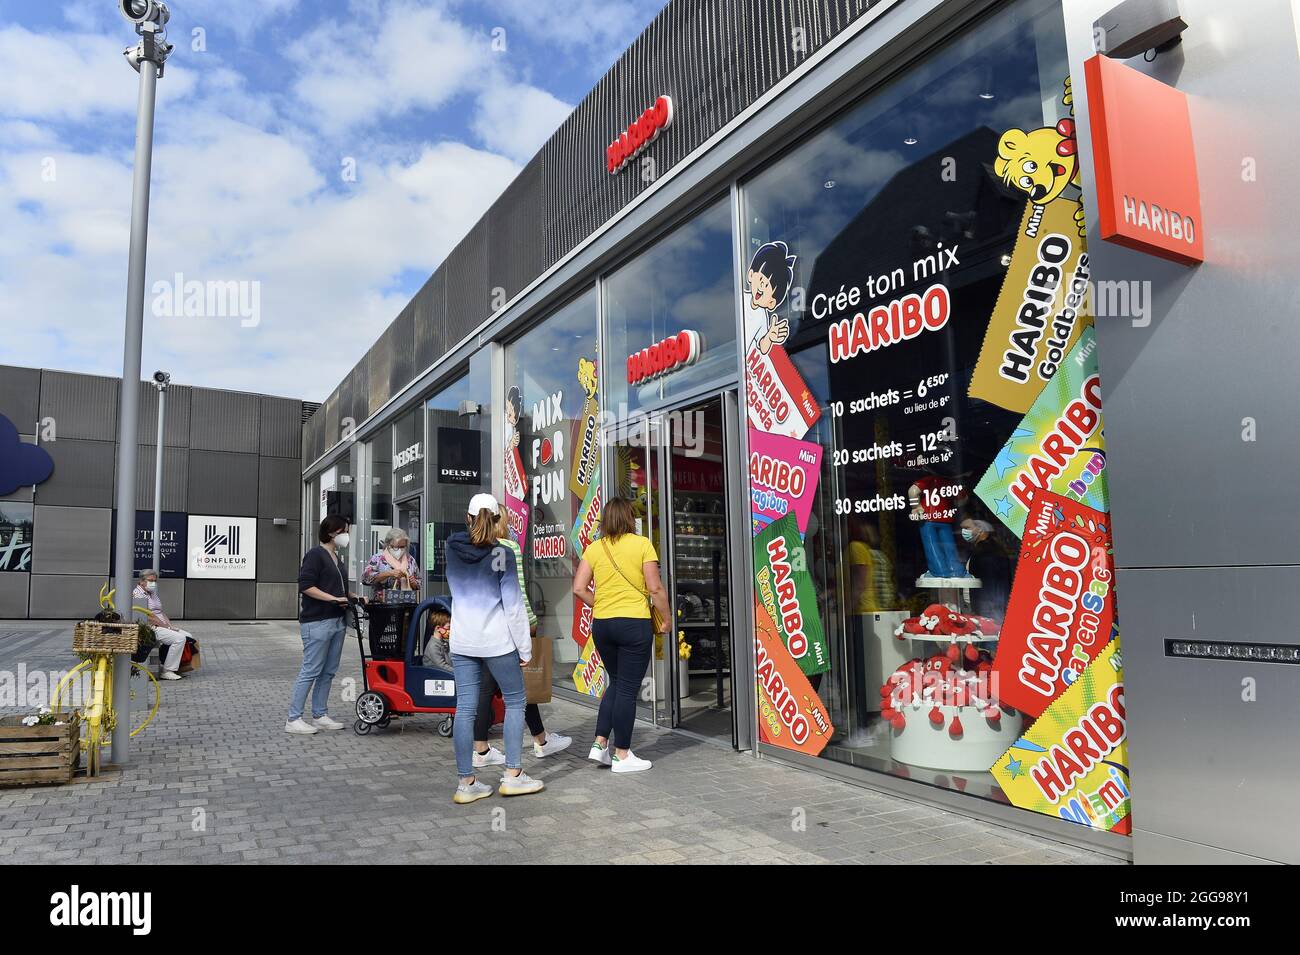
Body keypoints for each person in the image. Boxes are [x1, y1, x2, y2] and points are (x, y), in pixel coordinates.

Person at [444, 493, 543, 803]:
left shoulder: (452, 548)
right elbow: (513, 608)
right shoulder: (503, 554)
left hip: (462, 641)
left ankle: (466, 783)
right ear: (498, 520)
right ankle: (513, 776)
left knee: (465, 708)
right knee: (515, 702)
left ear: (468, 517)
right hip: (497, 641)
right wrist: (525, 649)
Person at [571, 496, 670, 774]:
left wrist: (599, 604)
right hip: (633, 624)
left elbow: (579, 588)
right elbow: (655, 589)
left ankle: (599, 744)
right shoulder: (642, 545)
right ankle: (622, 755)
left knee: (616, 683)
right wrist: (668, 618)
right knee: (627, 689)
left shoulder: (594, 548)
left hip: (603, 624)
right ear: (629, 518)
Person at [472, 510, 572, 767]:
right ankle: (522, 750)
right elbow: (516, 590)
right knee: (517, 689)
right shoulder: (509, 547)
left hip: (483, 627)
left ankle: (534, 740)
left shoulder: (472, 548)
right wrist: (530, 622)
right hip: (507, 628)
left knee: (493, 688)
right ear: (501, 522)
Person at [287, 515, 357, 735]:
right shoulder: (315, 555)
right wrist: (333, 599)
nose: (347, 535)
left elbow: (339, 590)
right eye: (343, 530)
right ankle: (293, 718)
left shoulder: (337, 558)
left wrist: (354, 597)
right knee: (311, 669)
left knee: (328, 672)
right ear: (331, 532)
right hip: (317, 621)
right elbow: (306, 586)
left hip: (337, 621)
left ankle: (319, 714)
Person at [131, 569, 190, 682]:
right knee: (179, 639)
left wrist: (170, 626)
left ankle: (178, 666)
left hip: (162, 626)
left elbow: (160, 612)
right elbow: (148, 616)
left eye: (155, 581)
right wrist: (164, 626)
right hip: (151, 628)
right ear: (142, 581)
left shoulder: (152, 594)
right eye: (150, 580)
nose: (153, 583)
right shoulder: (137, 595)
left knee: (188, 636)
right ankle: (168, 671)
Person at [960, 518, 1014, 619]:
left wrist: (981, 609)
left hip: (988, 607)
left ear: (981, 530)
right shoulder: (990, 549)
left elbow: (989, 583)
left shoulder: (986, 553)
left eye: (967, 528)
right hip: (990, 605)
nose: (964, 531)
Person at [361, 526, 422, 599]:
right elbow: (365, 579)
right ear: (388, 545)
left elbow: (419, 583)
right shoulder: (378, 559)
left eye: (402, 547)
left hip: (407, 604)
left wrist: (413, 583)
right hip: (383, 605)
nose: (399, 550)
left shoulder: (410, 560)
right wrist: (389, 573)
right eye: (395, 547)